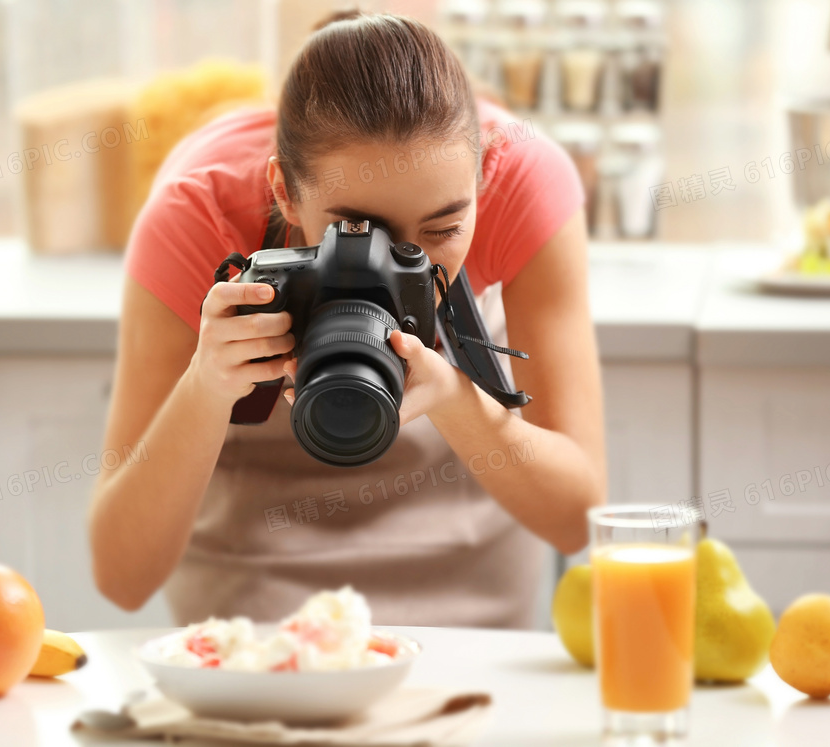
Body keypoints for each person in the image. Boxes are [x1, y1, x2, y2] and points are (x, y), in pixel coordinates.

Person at [88, 10, 606, 629]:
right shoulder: (198, 215)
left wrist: (457, 402)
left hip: (470, 593)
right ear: (283, 191)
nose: (394, 261)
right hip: (254, 604)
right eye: (358, 230)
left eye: (443, 229)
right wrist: (206, 387)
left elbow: (577, 520)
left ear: (482, 182)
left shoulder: (521, 180)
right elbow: (121, 576)